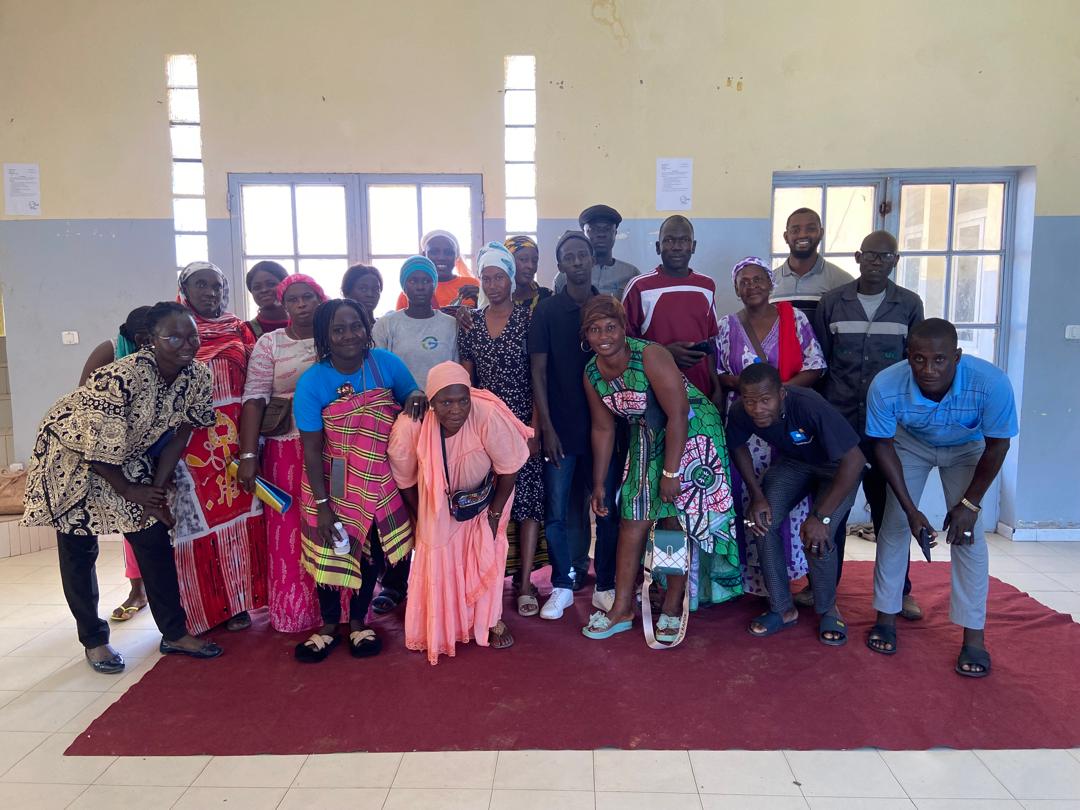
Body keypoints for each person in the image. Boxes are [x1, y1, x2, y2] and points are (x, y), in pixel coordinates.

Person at [22, 301, 225, 673]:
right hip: (71, 456)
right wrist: (132, 491)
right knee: (79, 549)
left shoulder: (197, 375)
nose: (186, 343)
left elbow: (181, 434)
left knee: (152, 540)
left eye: (192, 334)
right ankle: (94, 640)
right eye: (173, 336)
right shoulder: (121, 377)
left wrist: (155, 492)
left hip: (126, 453)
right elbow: (93, 446)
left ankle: (175, 633)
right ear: (150, 341)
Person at [580, 296, 741, 642]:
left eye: (610, 327)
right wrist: (598, 483)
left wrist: (671, 474)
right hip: (646, 434)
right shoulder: (592, 371)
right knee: (632, 519)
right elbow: (603, 429)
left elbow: (679, 413)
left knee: (672, 520)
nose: (603, 335)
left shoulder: (650, 354)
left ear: (625, 329)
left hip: (692, 434)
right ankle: (622, 608)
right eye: (594, 329)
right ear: (586, 336)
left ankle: (672, 605)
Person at [865, 318, 1017, 678]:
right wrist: (911, 508)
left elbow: (998, 445)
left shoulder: (991, 383)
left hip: (967, 448)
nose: (928, 369)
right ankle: (886, 617)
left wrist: (969, 505)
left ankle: (974, 637)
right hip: (910, 445)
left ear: (957, 357)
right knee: (895, 525)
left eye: (939, 360)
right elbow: (882, 446)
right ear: (908, 356)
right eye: (918, 359)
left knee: (969, 536)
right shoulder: (886, 385)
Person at [291, 298, 426, 661]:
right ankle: (329, 624)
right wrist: (322, 506)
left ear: (368, 329)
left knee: (370, 552)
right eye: (338, 329)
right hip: (334, 481)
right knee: (330, 549)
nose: (349, 335)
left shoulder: (385, 364)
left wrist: (413, 395)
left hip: (379, 479)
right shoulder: (313, 382)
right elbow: (312, 449)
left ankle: (358, 621)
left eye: (356, 326)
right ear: (325, 336)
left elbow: (412, 393)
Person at [388, 361, 530, 664]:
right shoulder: (411, 426)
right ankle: (447, 625)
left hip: (489, 499)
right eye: (446, 402)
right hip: (435, 504)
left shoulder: (486, 413)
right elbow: (405, 479)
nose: (456, 409)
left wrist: (493, 515)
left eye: (462, 399)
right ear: (431, 403)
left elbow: (509, 469)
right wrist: (422, 516)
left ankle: (490, 620)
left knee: (485, 552)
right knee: (440, 558)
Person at [815, 230, 925, 618]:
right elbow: (821, 364)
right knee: (832, 510)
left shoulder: (909, 304)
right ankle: (821, 588)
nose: (877, 262)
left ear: (895, 260)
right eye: (871, 255)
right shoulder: (832, 303)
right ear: (858, 257)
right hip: (840, 426)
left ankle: (901, 591)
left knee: (889, 512)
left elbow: (917, 365)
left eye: (886, 256)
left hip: (887, 430)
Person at [728, 363, 865, 646]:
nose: (757, 409)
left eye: (765, 400)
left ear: (781, 394)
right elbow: (737, 446)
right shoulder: (742, 410)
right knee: (761, 523)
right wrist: (757, 495)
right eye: (750, 401)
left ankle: (828, 608)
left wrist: (822, 517)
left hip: (839, 468)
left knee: (817, 535)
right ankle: (782, 608)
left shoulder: (808, 405)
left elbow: (855, 461)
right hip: (796, 464)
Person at [715, 257, 825, 597]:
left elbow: (816, 366)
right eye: (744, 281)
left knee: (788, 499)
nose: (751, 286)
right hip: (745, 427)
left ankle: (786, 577)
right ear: (736, 289)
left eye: (758, 279)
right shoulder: (726, 326)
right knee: (748, 495)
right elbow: (719, 373)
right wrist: (747, 390)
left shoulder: (795, 320)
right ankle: (750, 579)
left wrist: (778, 396)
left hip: (786, 422)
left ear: (770, 283)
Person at [529, 231, 620, 619]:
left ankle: (606, 584)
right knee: (560, 511)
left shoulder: (608, 308)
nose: (578, 261)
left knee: (606, 509)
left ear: (592, 259)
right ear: (561, 264)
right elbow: (538, 371)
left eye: (583, 254)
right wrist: (546, 426)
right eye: (570, 256)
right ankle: (564, 584)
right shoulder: (547, 311)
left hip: (607, 431)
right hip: (561, 430)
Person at [173, 261, 266, 635]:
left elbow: (257, 383)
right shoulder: (173, 330)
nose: (210, 292)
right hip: (188, 446)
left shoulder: (238, 329)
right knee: (193, 526)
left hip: (236, 439)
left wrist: (249, 448)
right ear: (185, 287)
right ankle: (202, 609)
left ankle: (239, 604)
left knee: (241, 521)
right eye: (201, 285)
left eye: (216, 286)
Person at [238, 274, 330, 633]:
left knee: (333, 525)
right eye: (294, 299)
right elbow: (254, 397)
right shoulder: (269, 343)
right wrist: (248, 456)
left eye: (309, 297)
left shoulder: (334, 336)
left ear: (320, 300)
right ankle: (295, 613)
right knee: (289, 532)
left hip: (333, 448)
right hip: (284, 453)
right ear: (284, 304)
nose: (303, 304)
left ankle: (339, 611)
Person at [458, 242, 546, 616]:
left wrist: (537, 428)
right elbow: (465, 378)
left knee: (526, 506)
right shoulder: (471, 322)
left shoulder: (530, 319)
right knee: (486, 506)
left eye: (499, 277)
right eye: (487, 277)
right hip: (483, 425)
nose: (493, 285)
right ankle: (488, 580)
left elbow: (541, 379)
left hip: (523, 423)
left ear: (512, 279)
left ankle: (524, 584)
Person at [78, 305, 155, 623]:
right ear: (139, 338)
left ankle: (167, 591)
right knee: (131, 525)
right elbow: (84, 400)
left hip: (154, 451)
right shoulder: (109, 351)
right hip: (111, 454)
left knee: (157, 527)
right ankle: (138, 591)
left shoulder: (166, 358)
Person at [621, 215, 720, 397]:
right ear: (658, 247)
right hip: (655, 390)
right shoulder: (639, 287)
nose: (676, 247)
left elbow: (711, 341)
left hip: (700, 391)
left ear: (694, 246)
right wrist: (664, 354)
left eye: (684, 240)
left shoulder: (706, 286)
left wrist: (716, 387)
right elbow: (624, 344)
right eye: (669, 240)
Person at [374, 255, 460, 391]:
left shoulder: (451, 325)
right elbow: (378, 371)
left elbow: (456, 372)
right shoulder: (386, 325)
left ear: (434, 285)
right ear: (404, 285)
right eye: (413, 281)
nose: (420, 287)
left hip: (442, 405)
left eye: (426, 281)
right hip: (400, 405)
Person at [771, 208, 853, 319]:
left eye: (811, 229)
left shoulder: (842, 281)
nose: (802, 235)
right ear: (786, 237)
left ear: (821, 233)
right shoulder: (769, 282)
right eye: (795, 230)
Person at [553, 204, 640, 299]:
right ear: (584, 233)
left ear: (615, 233)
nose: (601, 234)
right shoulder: (565, 275)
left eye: (607, 229)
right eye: (593, 229)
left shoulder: (631, 274)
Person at [394, 230, 478, 310]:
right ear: (424, 255)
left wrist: (479, 299)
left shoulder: (473, 285)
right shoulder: (409, 293)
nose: (442, 258)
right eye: (434, 252)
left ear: (456, 256)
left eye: (448, 252)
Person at [504, 235, 553, 310]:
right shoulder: (495, 298)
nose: (531, 266)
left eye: (534, 261)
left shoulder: (548, 297)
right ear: (508, 262)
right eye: (523, 259)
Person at [246, 260, 290, 338]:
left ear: (285, 285)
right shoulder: (245, 330)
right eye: (257, 287)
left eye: (271, 284)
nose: (264, 290)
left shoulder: (304, 326)